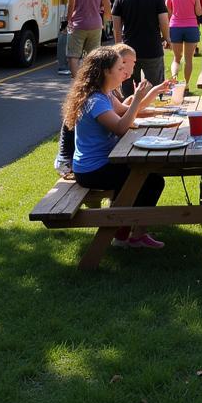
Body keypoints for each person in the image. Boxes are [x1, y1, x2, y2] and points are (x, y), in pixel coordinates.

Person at [64, 44, 168, 249]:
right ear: (105, 71)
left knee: (147, 178)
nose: (124, 72)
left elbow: (127, 112)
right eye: (120, 68)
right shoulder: (95, 101)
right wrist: (138, 98)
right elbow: (122, 127)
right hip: (92, 170)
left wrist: (154, 105)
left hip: (100, 164)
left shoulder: (106, 95)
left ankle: (126, 232)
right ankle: (128, 235)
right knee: (150, 180)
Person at [112, 0, 169, 85]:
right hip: (152, 47)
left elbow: (116, 26)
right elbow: (164, 20)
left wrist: (118, 46)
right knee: (155, 88)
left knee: (128, 88)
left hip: (128, 48)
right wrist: (166, 38)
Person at [66, 0, 112, 77]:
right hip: (95, 24)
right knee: (94, 55)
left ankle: (77, 83)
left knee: (74, 55)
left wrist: (68, 20)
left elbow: (71, 4)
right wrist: (107, 19)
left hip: (78, 24)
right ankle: (92, 80)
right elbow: (107, 4)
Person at [166, 0, 201, 83]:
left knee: (176, 58)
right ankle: (186, 84)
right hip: (191, 27)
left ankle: (175, 78)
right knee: (189, 59)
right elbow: (199, 12)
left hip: (175, 26)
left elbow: (168, 11)